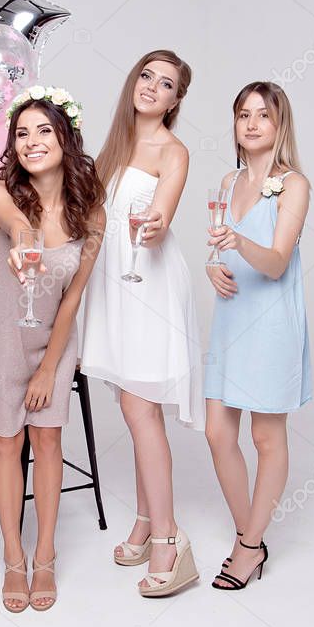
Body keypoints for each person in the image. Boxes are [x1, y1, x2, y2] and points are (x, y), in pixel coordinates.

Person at [0, 86, 105, 612]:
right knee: (6, 442)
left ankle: (45, 553)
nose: (31, 142)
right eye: (21, 133)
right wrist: (25, 239)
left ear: (66, 138)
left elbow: (72, 302)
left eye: (43, 130)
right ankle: (12, 556)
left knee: (47, 444)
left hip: (53, 341)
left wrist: (50, 369)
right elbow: (16, 224)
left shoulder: (92, 214)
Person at [82, 49, 204, 597]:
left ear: (177, 100)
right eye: (147, 76)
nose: (153, 87)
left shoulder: (172, 151)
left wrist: (151, 225)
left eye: (167, 83)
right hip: (112, 283)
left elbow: (162, 212)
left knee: (140, 407)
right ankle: (145, 519)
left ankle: (168, 540)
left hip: (146, 283)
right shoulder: (113, 146)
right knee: (133, 407)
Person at [204, 80, 312, 590]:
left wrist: (238, 242)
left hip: (269, 323)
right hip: (230, 316)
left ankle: (248, 547)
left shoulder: (293, 185)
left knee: (265, 437)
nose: (250, 123)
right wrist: (212, 266)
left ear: (279, 124)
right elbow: (221, 251)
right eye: (242, 114)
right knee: (217, 432)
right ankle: (252, 532)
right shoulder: (227, 183)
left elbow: (274, 263)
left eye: (262, 115)